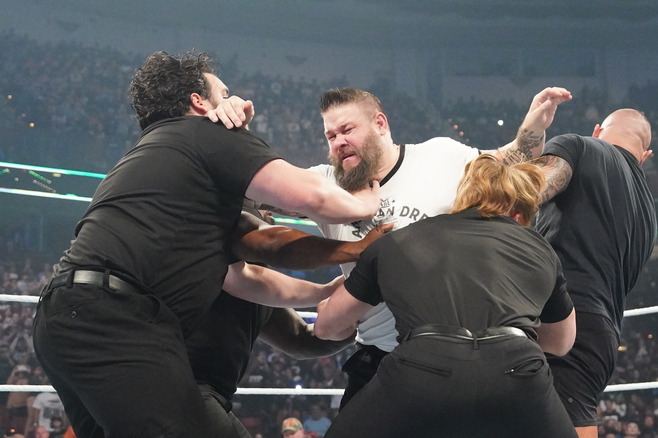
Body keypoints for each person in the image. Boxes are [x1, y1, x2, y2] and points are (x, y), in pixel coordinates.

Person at [32, 51, 380, 438]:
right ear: (199, 102)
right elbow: (308, 200)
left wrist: (328, 293)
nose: (237, 104)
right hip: (116, 319)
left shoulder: (163, 165)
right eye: (225, 92)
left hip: (64, 318)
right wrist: (363, 206)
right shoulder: (205, 133)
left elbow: (245, 280)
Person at [213, 85, 572, 408]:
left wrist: (533, 127)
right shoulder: (324, 185)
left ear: (380, 124)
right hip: (379, 358)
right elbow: (245, 185)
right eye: (331, 136)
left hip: (452, 350)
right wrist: (230, 129)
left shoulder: (440, 157)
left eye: (347, 130)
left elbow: (514, 162)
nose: (338, 142)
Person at [314, 154, 578, 438]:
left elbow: (326, 327)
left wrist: (325, 303)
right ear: (518, 215)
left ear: (463, 197)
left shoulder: (397, 240)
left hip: (422, 368)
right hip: (518, 370)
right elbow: (561, 343)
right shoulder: (538, 247)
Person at [190, 208, 391, 438]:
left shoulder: (257, 294)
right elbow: (268, 247)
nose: (270, 217)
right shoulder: (210, 259)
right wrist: (354, 249)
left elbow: (301, 339)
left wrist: (355, 316)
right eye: (263, 215)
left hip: (207, 393)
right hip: (178, 384)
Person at [532, 108, 657, 438]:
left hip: (558, 316)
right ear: (645, 156)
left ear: (598, 129)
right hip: (603, 334)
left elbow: (525, 193)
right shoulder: (648, 212)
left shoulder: (580, 146)